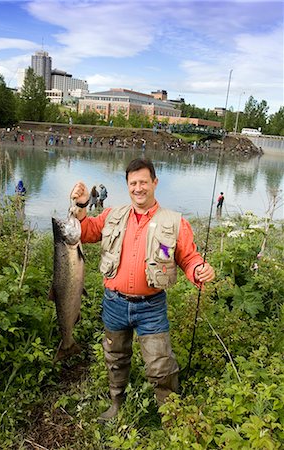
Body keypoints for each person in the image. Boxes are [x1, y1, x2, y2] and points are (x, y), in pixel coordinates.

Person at [70, 158, 215, 422]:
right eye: (133, 183)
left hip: (151, 306)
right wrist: (81, 206)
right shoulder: (112, 215)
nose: (138, 188)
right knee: (115, 356)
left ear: (154, 183)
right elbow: (85, 231)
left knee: (161, 364)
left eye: (143, 182)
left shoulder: (174, 222)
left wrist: (199, 269)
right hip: (114, 303)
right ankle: (116, 404)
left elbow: (189, 258)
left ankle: (170, 415)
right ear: (127, 185)